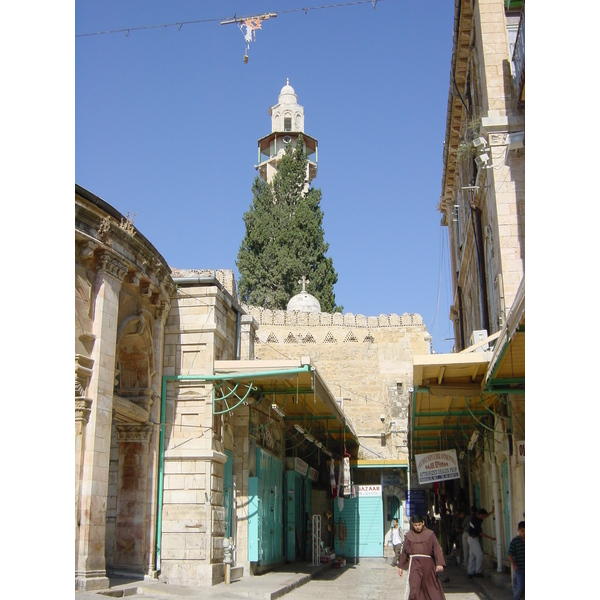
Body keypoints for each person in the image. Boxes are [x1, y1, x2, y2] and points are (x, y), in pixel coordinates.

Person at [398, 514, 446, 600]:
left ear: (423, 523)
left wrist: (439, 563)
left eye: (419, 525)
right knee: (414, 588)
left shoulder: (430, 534)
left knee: (432, 588)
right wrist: (401, 566)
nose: (417, 527)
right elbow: (404, 551)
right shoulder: (409, 535)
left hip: (428, 565)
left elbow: (436, 549)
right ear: (412, 524)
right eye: (415, 525)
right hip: (414, 564)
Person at [467, 507, 495, 579]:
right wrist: (490, 538)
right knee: (479, 555)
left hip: (471, 538)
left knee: (472, 556)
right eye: (484, 516)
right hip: (473, 539)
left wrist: (492, 512)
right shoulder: (477, 522)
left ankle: (470, 572)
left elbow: (485, 515)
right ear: (480, 514)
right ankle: (478, 572)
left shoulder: (475, 518)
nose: (484, 518)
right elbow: (481, 533)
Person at [508, 521, 525, 600]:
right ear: (518, 530)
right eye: (522, 531)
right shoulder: (515, 541)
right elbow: (510, 554)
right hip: (519, 568)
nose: (524, 533)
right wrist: (514, 565)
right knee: (520, 586)